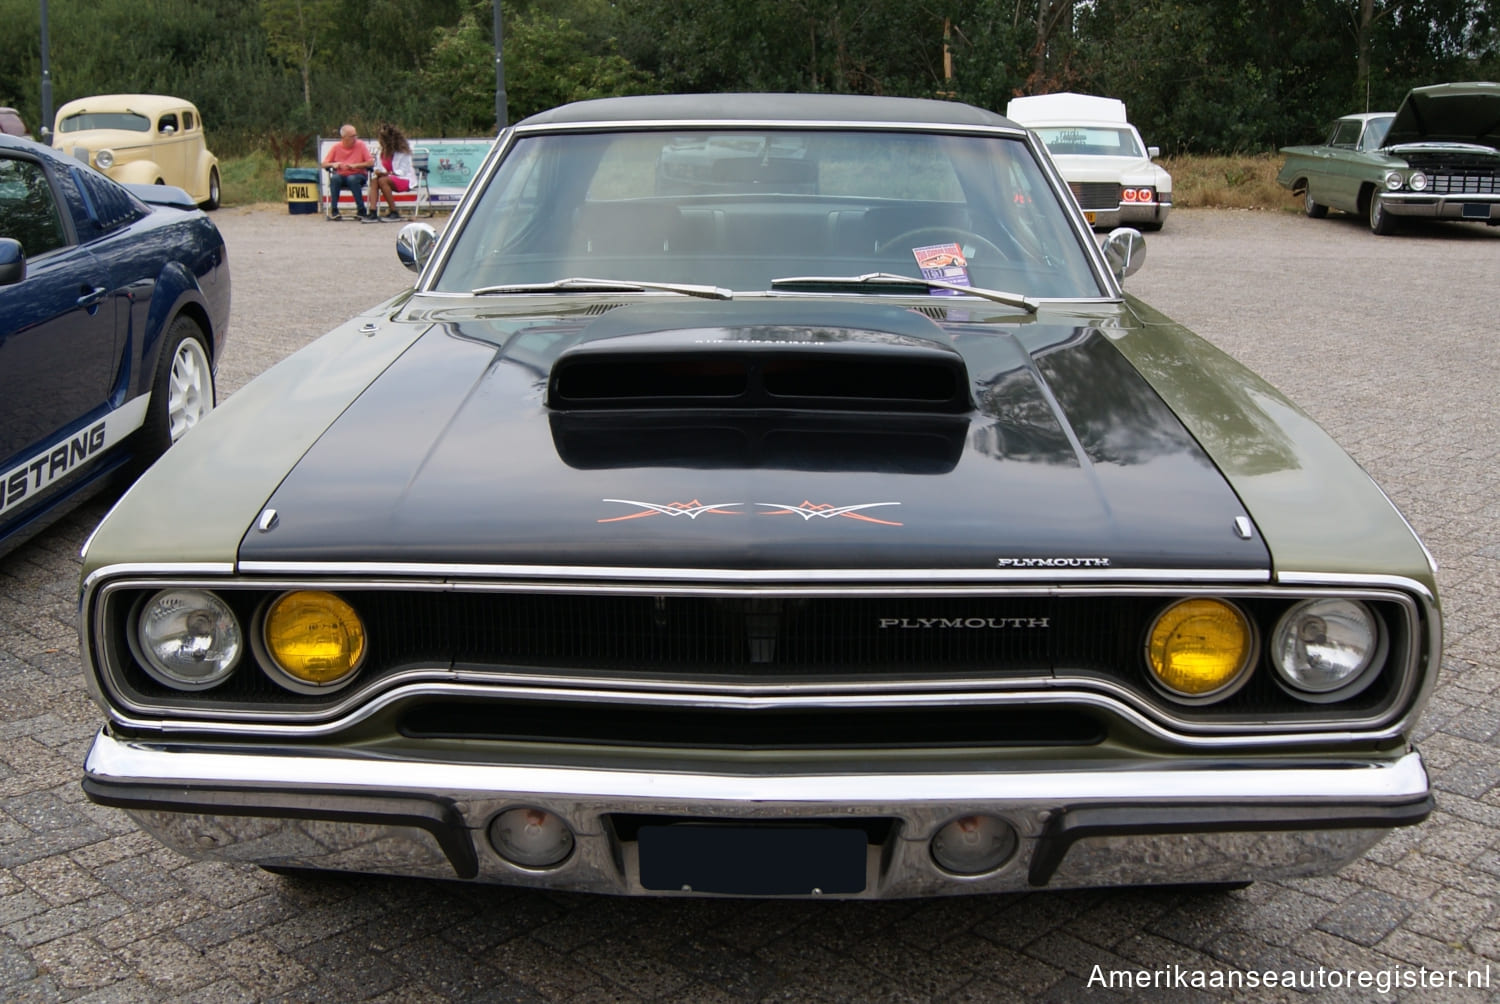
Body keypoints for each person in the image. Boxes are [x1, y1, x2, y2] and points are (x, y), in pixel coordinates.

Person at [321, 124, 374, 220]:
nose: (355, 138)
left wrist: (355, 165)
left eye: (355, 135)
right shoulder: (336, 147)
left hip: (358, 175)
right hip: (342, 175)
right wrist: (333, 164)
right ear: (344, 137)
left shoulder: (360, 145)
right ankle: (334, 210)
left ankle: (361, 210)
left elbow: (370, 162)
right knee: (335, 178)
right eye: (352, 136)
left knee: (352, 179)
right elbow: (324, 163)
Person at [370, 122, 416, 221]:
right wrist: (378, 171)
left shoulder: (403, 152)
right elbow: (377, 167)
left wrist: (389, 174)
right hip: (387, 178)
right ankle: (372, 212)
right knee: (374, 180)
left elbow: (403, 171)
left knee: (383, 180)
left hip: (404, 180)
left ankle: (394, 211)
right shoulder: (380, 152)